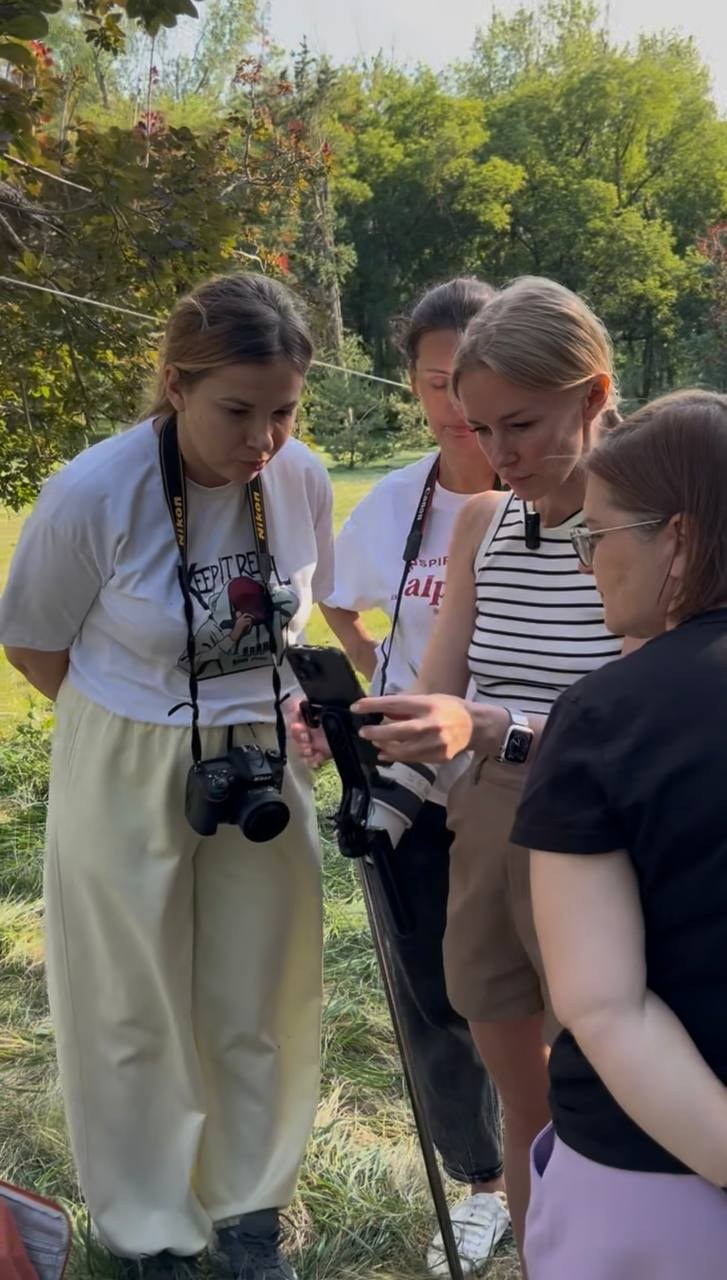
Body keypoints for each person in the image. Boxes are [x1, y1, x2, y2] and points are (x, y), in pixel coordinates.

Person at [0, 274, 334, 1280]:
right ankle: (151, 1224)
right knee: (130, 999)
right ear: (176, 384)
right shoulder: (95, 489)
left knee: (258, 990)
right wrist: (136, 729)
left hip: (258, 757)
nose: (262, 439)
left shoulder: (300, 477)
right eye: (237, 409)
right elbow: (33, 641)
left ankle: (246, 1207)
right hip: (127, 749)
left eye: (282, 410)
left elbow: (289, 621)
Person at [350, 277, 625, 1258]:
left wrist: (492, 724)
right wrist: (385, 748)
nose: (497, 454)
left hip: (611, 839)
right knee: (523, 1098)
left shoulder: (647, 526)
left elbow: (653, 724)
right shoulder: (480, 524)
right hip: (487, 832)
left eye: (521, 424)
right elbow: (440, 693)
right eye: (476, 426)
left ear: (592, 395)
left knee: (611, 1100)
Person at [510, 389, 727, 1279]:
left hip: (655, 1188)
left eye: (596, 534)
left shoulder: (604, 715)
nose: (583, 560)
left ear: (675, 535)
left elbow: (601, 1004)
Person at [316, 279, 509, 1273]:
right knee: (432, 993)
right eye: (437, 379)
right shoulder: (394, 501)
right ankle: (480, 1179)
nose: (455, 403)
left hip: (516, 780)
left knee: (533, 989)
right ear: (412, 382)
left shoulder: (546, 489)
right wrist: (373, 689)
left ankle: (554, 1161)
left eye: (472, 378)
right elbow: (340, 603)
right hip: (410, 788)